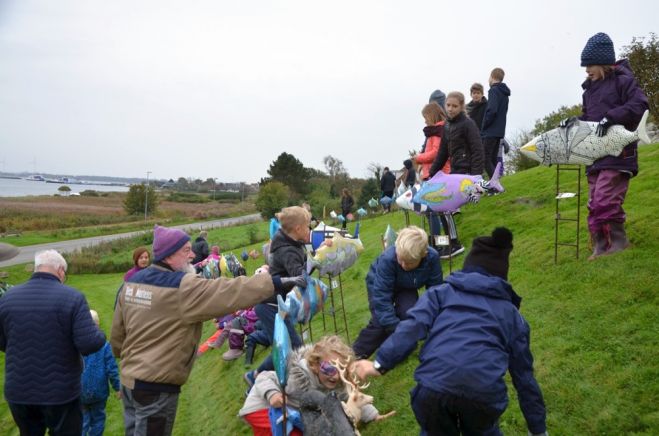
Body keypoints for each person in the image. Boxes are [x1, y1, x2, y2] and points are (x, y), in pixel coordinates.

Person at [354, 227, 548, 436]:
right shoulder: (512, 317)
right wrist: (538, 430)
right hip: (482, 395)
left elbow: (412, 326)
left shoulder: (440, 293)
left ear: (467, 268)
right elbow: (524, 378)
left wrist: (380, 363)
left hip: (432, 388)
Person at [111, 225, 302, 436]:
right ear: (169, 255)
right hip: (155, 387)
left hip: (129, 381)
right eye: (186, 250)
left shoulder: (130, 285)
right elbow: (229, 291)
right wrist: (276, 282)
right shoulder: (182, 286)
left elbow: (118, 339)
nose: (192, 254)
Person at [0, 250, 106, 435]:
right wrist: (100, 334)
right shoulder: (73, 297)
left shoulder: (8, 298)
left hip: (19, 391)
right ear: (60, 271)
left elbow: (3, 341)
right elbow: (89, 343)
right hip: (60, 393)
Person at [575, 32, 649, 260]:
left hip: (618, 153)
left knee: (605, 198)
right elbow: (587, 119)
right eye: (584, 66)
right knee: (593, 201)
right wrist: (575, 124)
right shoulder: (588, 91)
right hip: (595, 157)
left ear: (604, 63)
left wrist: (612, 117)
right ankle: (600, 245)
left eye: (590, 65)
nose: (586, 70)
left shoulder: (623, 81)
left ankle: (618, 242)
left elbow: (640, 104)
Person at [239, 335, 389, 436]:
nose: (335, 375)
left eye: (341, 369)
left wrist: (374, 416)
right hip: (262, 408)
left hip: (289, 411)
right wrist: (272, 394)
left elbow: (353, 397)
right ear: (315, 365)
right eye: (329, 368)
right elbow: (264, 377)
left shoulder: (337, 380)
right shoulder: (298, 376)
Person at [352, 226, 442, 359]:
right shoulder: (388, 259)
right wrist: (397, 328)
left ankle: (403, 349)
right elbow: (382, 300)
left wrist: (435, 324)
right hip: (378, 284)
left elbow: (435, 293)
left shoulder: (432, 258)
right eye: (400, 259)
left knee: (409, 313)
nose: (404, 265)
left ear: (423, 255)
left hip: (406, 285)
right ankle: (353, 356)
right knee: (380, 323)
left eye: (409, 262)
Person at [245, 207, 311, 390]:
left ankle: (255, 376)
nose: (309, 229)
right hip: (269, 305)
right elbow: (300, 277)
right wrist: (316, 262)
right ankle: (256, 380)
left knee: (286, 345)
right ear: (298, 229)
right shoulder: (287, 251)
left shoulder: (291, 243)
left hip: (278, 303)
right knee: (293, 347)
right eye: (307, 226)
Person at [428, 91, 485, 259]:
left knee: (445, 207)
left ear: (461, 107)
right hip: (454, 172)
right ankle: (447, 244)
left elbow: (477, 150)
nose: (451, 109)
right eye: (448, 105)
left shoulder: (468, 124)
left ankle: (455, 244)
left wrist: (477, 178)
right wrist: (432, 175)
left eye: (454, 106)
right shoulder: (446, 126)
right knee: (440, 206)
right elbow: (442, 153)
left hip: (467, 174)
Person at [413, 102, 450, 249]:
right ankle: (438, 242)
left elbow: (436, 153)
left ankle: (438, 243)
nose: (425, 120)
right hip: (433, 174)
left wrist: (419, 158)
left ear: (431, 115)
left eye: (425, 117)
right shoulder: (435, 131)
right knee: (433, 212)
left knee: (433, 212)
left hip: (437, 175)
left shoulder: (437, 131)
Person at [81, 310, 121, 436]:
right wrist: (118, 387)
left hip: (79, 390)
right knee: (98, 419)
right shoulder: (104, 345)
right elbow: (112, 369)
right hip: (99, 391)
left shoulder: (77, 343)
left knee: (82, 420)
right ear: (98, 325)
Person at [481, 68, 511, 179]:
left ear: (492, 77)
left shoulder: (493, 90)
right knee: (493, 158)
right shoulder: (504, 93)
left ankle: (494, 185)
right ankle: (496, 185)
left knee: (485, 158)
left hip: (491, 131)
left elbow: (492, 110)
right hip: (499, 131)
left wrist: (485, 124)